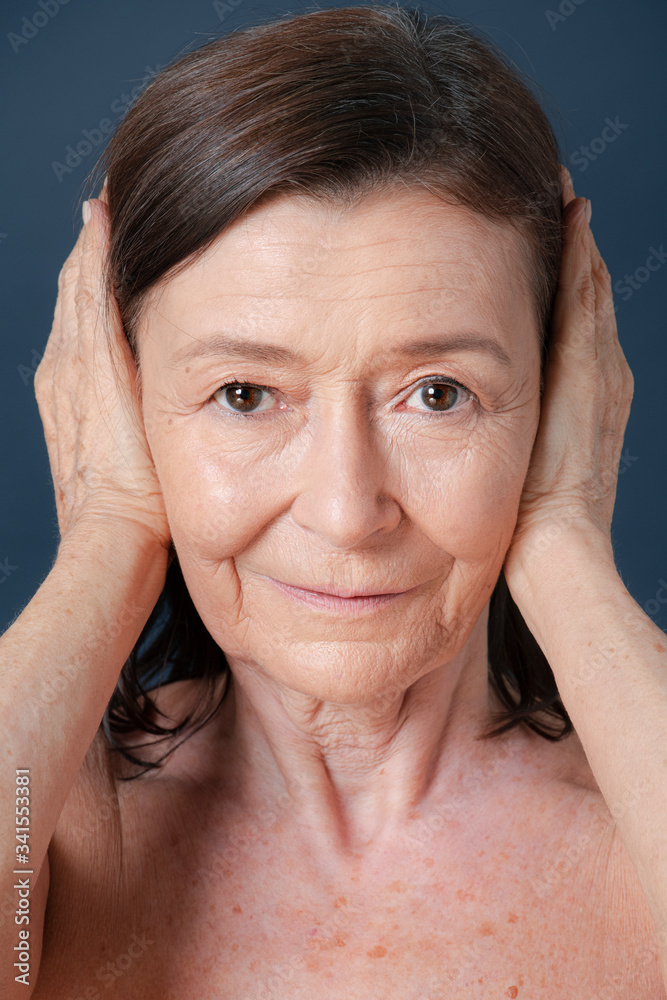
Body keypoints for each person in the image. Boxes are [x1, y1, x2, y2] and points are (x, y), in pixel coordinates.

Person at [2, 4, 666, 997]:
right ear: (125, 412)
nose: (348, 510)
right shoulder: (42, 836)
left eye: (438, 394)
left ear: (559, 399)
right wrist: (108, 532)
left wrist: (563, 537)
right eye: (243, 395)